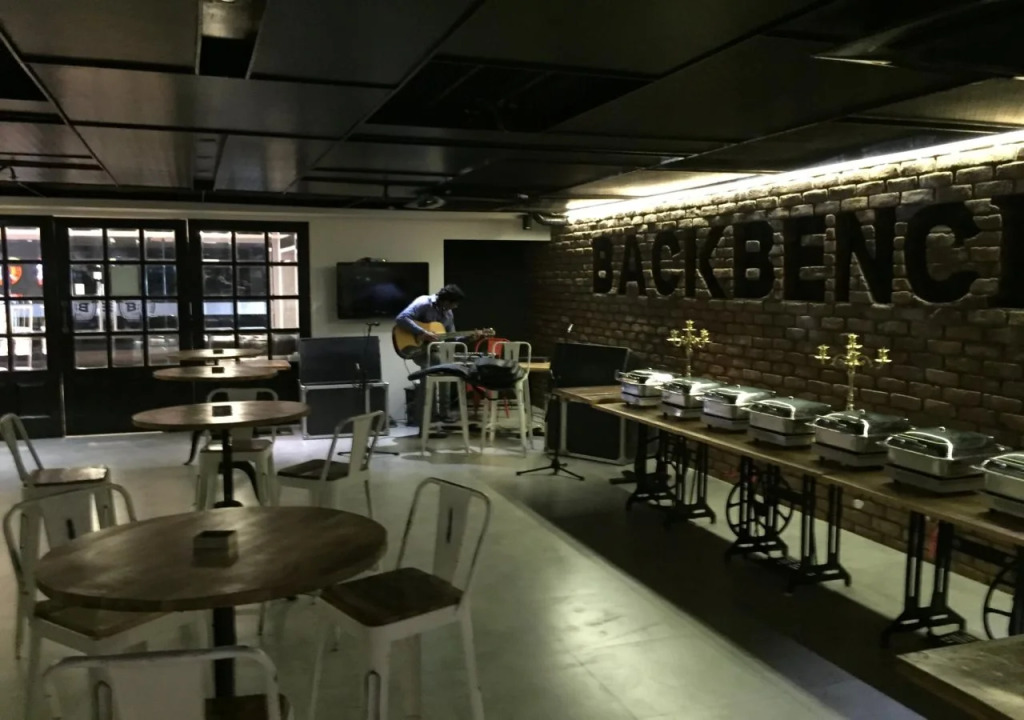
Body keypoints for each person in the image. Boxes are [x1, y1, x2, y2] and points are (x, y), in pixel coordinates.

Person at [395, 284, 480, 424]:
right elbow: (401, 318)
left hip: (432, 349)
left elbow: (452, 337)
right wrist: (422, 332)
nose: (455, 307)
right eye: (454, 303)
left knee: (444, 368)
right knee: (437, 368)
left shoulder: (448, 314)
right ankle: (431, 415)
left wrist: (469, 338)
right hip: (414, 346)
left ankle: (440, 414)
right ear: (446, 300)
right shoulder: (424, 302)